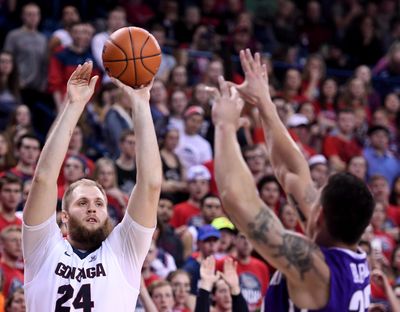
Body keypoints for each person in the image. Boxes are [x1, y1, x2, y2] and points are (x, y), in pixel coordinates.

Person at [211, 50, 375, 311]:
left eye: (316, 195)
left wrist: (224, 126)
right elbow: (293, 173)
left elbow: (238, 202)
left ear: (319, 214)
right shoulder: (352, 258)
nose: (311, 193)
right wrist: (264, 101)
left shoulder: (315, 268)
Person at [22, 62, 162, 310]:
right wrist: (74, 105)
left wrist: (140, 103)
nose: (92, 208)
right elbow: (43, 178)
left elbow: (150, 185)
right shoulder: (43, 248)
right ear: (64, 216)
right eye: (82, 203)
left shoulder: (123, 251)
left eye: (99, 203)